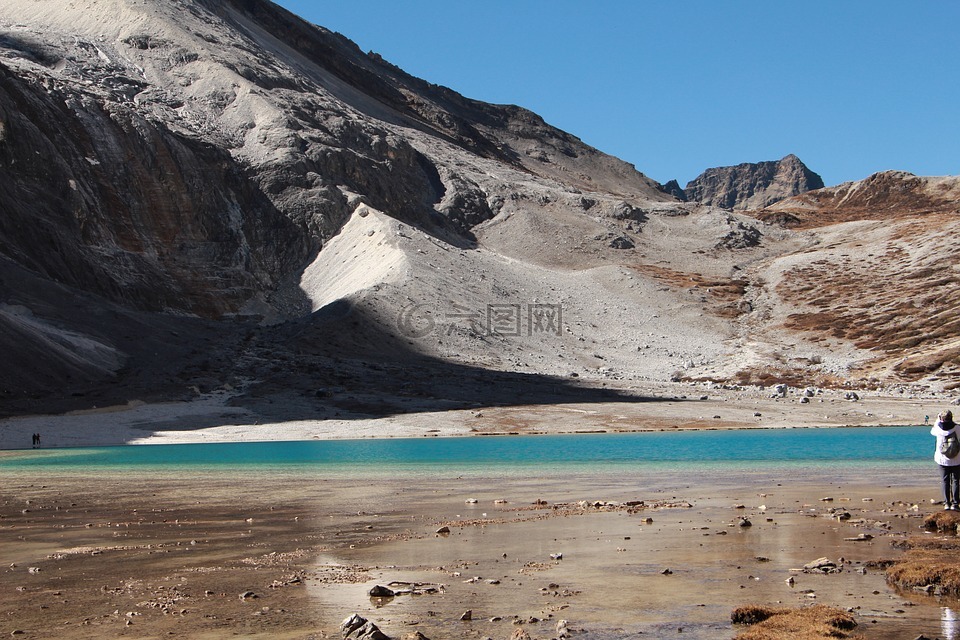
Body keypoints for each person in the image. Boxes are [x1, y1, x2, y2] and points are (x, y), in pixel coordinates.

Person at [932, 411, 960, 510]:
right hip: (957, 459)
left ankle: (947, 503)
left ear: (941, 418)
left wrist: (937, 418)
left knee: (945, 481)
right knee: (956, 480)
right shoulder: (957, 428)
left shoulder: (937, 429)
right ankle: (955, 504)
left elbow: (932, 431)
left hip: (942, 459)